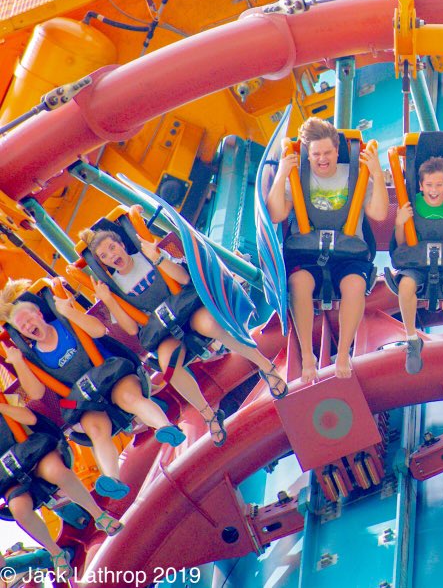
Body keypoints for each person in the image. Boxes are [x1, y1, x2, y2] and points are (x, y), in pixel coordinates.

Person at [80, 227, 288, 447]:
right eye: (104, 256)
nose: (112, 256)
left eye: (112, 247)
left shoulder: (147, 255)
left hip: (187, 312)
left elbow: (182, 277)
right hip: (164, 332)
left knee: (212, 325)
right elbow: (132, 329)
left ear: (121, 244)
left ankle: (266, 367)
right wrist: (109, 300)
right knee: (169, 368)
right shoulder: (115, 287)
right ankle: (208, 414)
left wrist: (158, 258)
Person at [0, 280, 186, 500]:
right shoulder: (34, 356)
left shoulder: (66, 324)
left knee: (128, 398)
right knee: (97, 431)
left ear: (40, 315)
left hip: (112, 376)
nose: (28, 325)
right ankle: (112, 479)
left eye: (28, 318)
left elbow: (99, 330)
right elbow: (38, 393)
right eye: (22, 326)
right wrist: (18, 362)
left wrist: (69, 312)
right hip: (85, 400)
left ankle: (165, 428)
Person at [266, 117, 388, 381]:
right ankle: (308, 355)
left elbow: (378, 213)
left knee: (354, 285)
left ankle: (344, 353)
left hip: (348, 254)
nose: (323, 159)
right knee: (298, 283)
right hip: (306, 252)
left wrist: (377, 173)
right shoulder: (298, 176)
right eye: (316, 154)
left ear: (336, 150)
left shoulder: (355, 174)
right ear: (307, 155)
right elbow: (276, 214)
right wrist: (281, 175)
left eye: (328, 153)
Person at [0, 399, 122, 581]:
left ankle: (99, 515)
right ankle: (56, 553)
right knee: (19, 509)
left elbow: (30, 418)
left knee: (57, 472)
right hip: (9, 478)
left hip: (34, 452)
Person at [394, 156, 443, 375]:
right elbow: (401, 244)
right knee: (406, 286)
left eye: (439, 185)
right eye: (429, 185)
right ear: (421, 186)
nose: (434, 190)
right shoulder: (413, 204)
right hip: (417, 262)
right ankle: (412, 339)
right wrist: (399, 223)